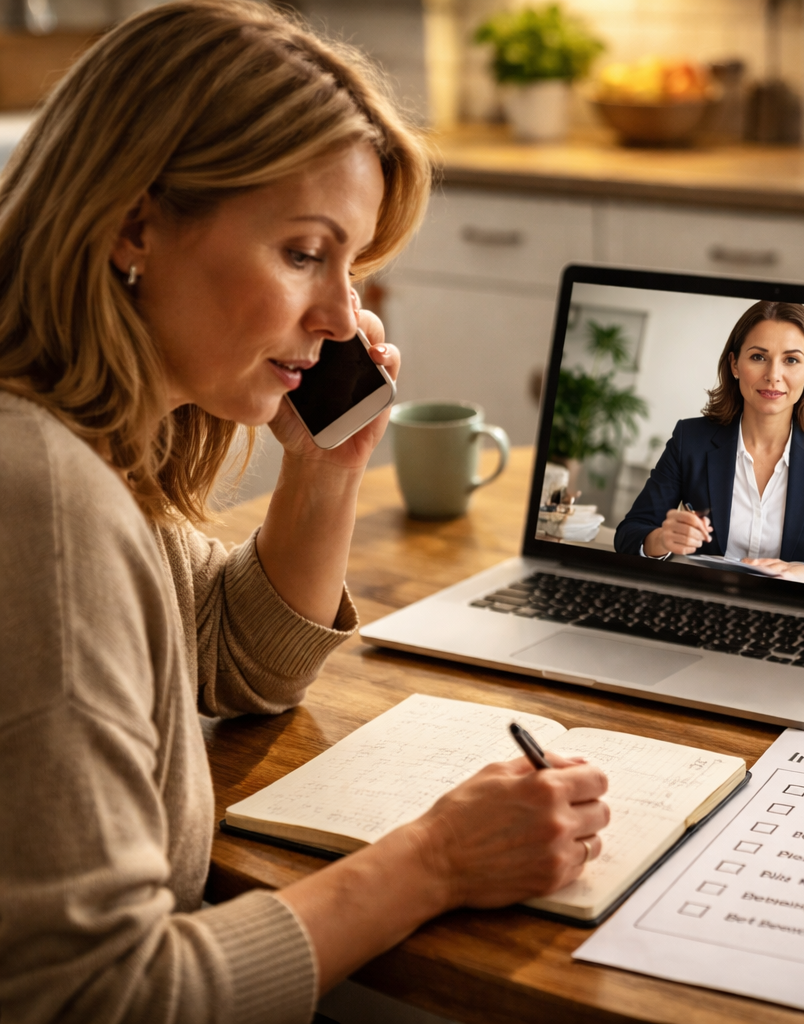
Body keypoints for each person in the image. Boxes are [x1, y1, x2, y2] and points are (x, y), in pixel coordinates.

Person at [0, 3, 610, 1022]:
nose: (339, 316)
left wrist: (327, 469)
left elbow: (236, 657)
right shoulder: (41, 499)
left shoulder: (83, 452)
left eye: (352, 265)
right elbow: (102, 997)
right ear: (134, 223)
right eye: (302, 253)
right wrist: (437, 859)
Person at [614, 300, 804, 592]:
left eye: (791, 360)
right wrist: (661, 540)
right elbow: (630, 533)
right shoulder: (690, 439)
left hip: (791, 611)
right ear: (734, 364)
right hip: (703, 600)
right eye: (758, 357)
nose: (773, 375)